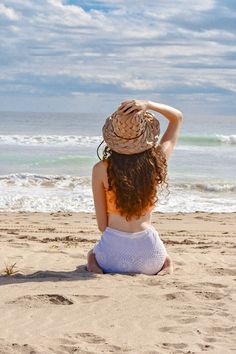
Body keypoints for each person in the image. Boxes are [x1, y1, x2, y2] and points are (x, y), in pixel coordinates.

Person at [87, 99, 183, 275]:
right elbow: (177, 118)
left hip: (111, 258)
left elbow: (102, 226)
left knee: (92, 254)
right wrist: (149, 104)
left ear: (113, 137)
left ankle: (93, 265)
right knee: (162, 253)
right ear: (145, 135)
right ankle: (165, 263)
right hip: (150, 256)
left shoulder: (100, 169)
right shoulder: (157, 163)